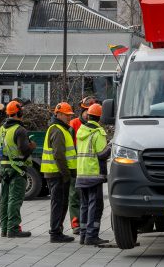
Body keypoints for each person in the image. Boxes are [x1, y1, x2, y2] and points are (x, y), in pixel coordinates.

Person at [0, 100, 36, 239]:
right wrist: (31, 146)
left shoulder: (2, 129)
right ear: (19, 113)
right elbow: (24, 150)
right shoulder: (20, 130)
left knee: (5, 198)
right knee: (15, 199)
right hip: (17, 168)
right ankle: (13, 229)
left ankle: (4, 228)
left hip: (4, 168)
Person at [41, 102, 77, 243]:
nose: (69, 118)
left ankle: (57, 231)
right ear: (59, 114)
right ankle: (55, 232)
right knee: (58, 203)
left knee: (61, 203)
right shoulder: (57, 130)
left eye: (70, 115)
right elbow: (59, 155)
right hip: (57, 174)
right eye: (67, 115)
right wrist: (66, 174)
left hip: (57, 173)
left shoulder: (61, 129)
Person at [75, 103, 111, 246]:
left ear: (89, 116)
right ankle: (91, 236)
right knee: (94, 206)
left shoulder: (81, 131)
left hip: (82, 173)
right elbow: (101, 154)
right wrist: (110, 146)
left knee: (84, 205)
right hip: (94, 174)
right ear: (100, 117)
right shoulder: (98, 133)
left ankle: (83, 235)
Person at [67, 96, 99, 234]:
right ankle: (76, 224)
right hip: (75, 166)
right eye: (86, 110)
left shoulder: (94, 125)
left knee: (86, 199)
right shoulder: (74, 124)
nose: (88, 114)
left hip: (87, 167)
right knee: (74, 196)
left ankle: (85, 224)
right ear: (82, 110)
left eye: (90, 111)